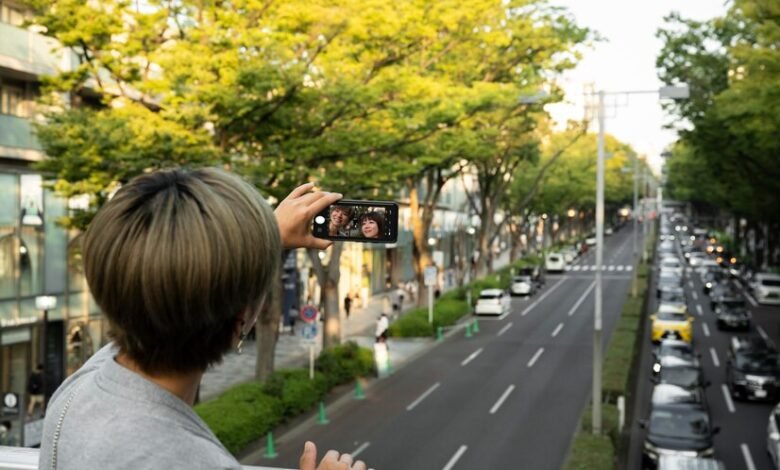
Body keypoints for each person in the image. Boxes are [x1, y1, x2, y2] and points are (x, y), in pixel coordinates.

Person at [38, 168, 367, 470]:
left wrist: (261, 240)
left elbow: (150, 291)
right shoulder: (195, 461)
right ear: (242, 318)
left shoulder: (75, 395)